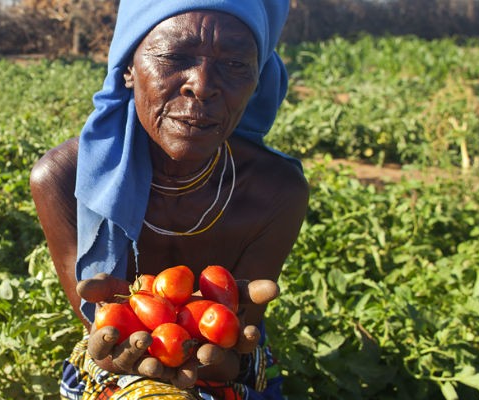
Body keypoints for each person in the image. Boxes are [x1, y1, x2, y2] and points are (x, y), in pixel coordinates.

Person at [29, 1, 308, 399]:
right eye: (175, 56)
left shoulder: (276, 192)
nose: (202, 84)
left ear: (257, 81)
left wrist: (228, 357)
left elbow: (234, 345)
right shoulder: (63, 180)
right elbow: (105, 343)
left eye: (234, 65)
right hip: (118, 372)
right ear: (128, 66)